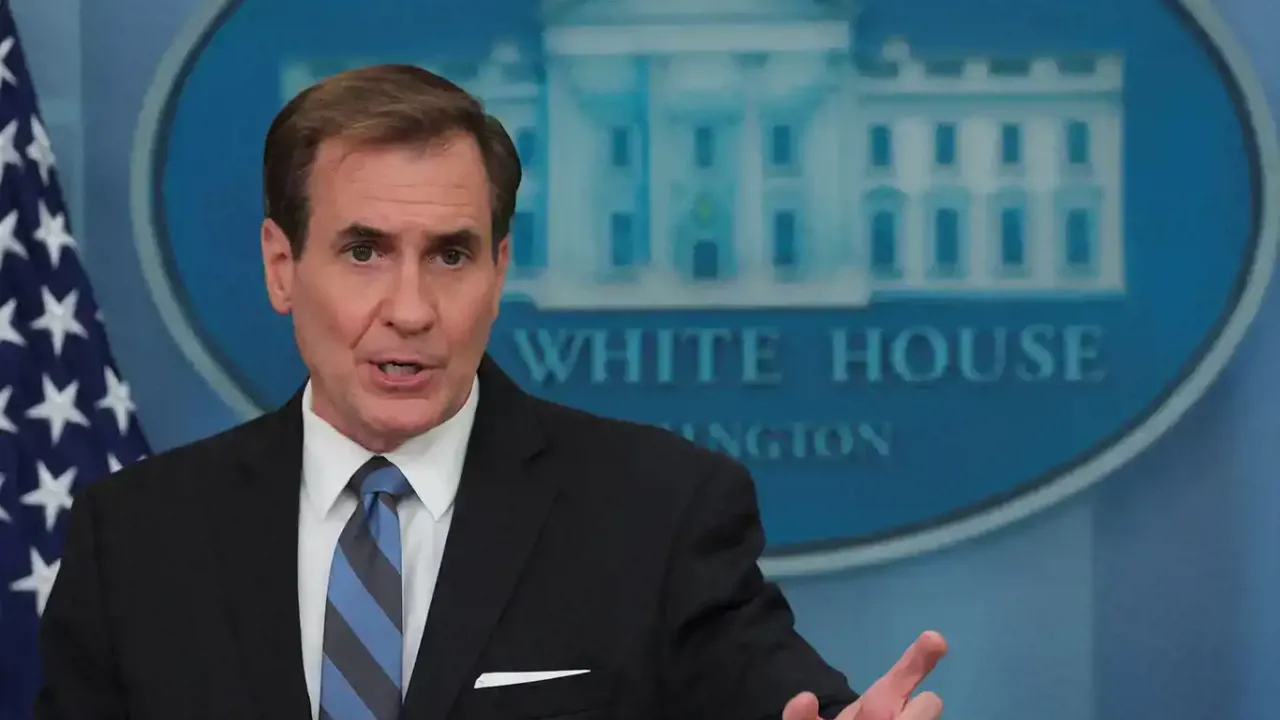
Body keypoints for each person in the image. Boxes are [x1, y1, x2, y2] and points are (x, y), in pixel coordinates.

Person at [35, 64, 947, 720]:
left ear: (499, 270)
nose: (411, 309)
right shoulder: (138, 537)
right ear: (282, 266)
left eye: (451, 256)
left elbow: (775, 694)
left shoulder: (656, 512)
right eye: (364, 251)